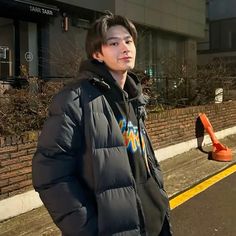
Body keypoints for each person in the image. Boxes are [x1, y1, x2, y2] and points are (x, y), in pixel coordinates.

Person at [32, 11, 172, 236]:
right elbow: (49, 175)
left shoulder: (134, 98)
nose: (125, 48)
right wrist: (88, 229)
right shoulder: (74, 100)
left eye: (128, 41)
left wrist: (161, 199)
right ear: (97, 53)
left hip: (155, 224)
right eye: (114, 43)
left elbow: (141, 159)